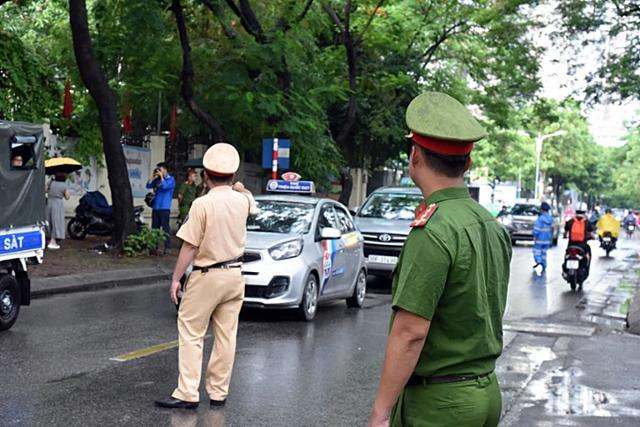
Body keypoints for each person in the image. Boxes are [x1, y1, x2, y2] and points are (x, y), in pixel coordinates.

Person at [368, 92, 512, 427]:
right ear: (469, 162)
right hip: (486, 392)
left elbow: (410, 332)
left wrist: (380, 412)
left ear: (414, 156)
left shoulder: (433, 229)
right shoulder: (491, 224)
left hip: (440, 406)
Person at [155, 143, 259, 410]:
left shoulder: (202, 204)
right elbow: (251, 202)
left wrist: (176, 278)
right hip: (235, 275)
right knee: (226, 336)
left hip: (207, 274)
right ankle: (218, 392)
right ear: (233, 176)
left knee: (191, 332)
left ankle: (188, 393)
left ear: (206, 175)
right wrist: (241, 189)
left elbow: (189, 246)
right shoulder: (243, 200)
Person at [146, 162, 175, 252]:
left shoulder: (171, 179)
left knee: (165, 228)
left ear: (165, 170)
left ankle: (167, 247)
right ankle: (154, 246)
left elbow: (165, 186)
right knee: (155, 228)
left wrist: (162, 177)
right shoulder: (157, 179)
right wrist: (153, 176)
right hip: (156, 207)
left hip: (165, 207)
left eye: (160, 169)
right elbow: (148, 185)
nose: (159, 171)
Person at [564, 202, 595, 278]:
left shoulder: (570, 221)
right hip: (583, 246)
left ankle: (565, 271)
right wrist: (592, 237)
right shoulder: (587, 222)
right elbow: (591, 234)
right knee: (588, 257)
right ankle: (585, 270)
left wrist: (565, 236)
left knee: (566, 256)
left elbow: (565, 232)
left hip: (571, 245)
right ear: (585, 211)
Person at [46, 173, 71, 249]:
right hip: (57, 204)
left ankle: (48, 238)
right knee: (56, 221)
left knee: (48, 220)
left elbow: (45, 190)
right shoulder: (64, 185)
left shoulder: (50, 182)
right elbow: (67, 197)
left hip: (49, 202)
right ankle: (53, 241)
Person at [532, 202, 554, 273]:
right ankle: (544, 264)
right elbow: (551, 229)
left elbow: (536, 229)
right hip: (547, 239)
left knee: (537, 251)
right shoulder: (550, 219)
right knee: (544, 253)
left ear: (541, 209)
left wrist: (534, 235)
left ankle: (538, 261)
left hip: (539, 239)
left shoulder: (540, 219)